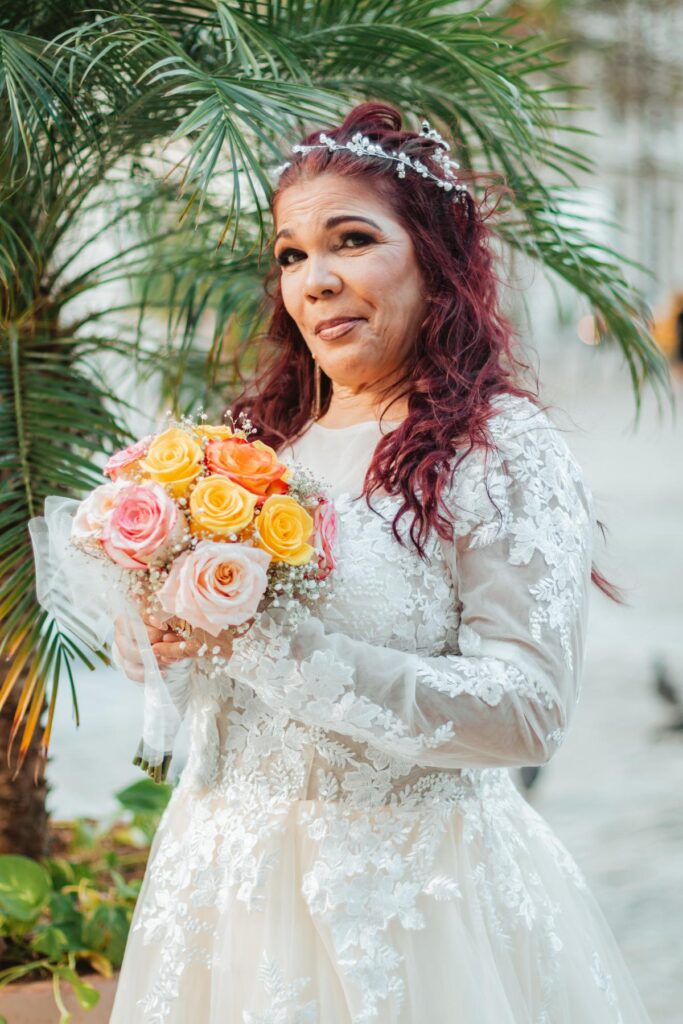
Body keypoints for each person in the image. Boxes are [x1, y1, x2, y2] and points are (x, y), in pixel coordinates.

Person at [109, 103, 652, 1022]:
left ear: (435, 261)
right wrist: (162, 633)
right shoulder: (254, 450)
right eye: (289, 255)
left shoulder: (500, 450)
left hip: (409, 906)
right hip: (222, 891)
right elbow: (218, 690)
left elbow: (526, 711)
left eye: (349, 241)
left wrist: (272, 645)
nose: (314, 281)